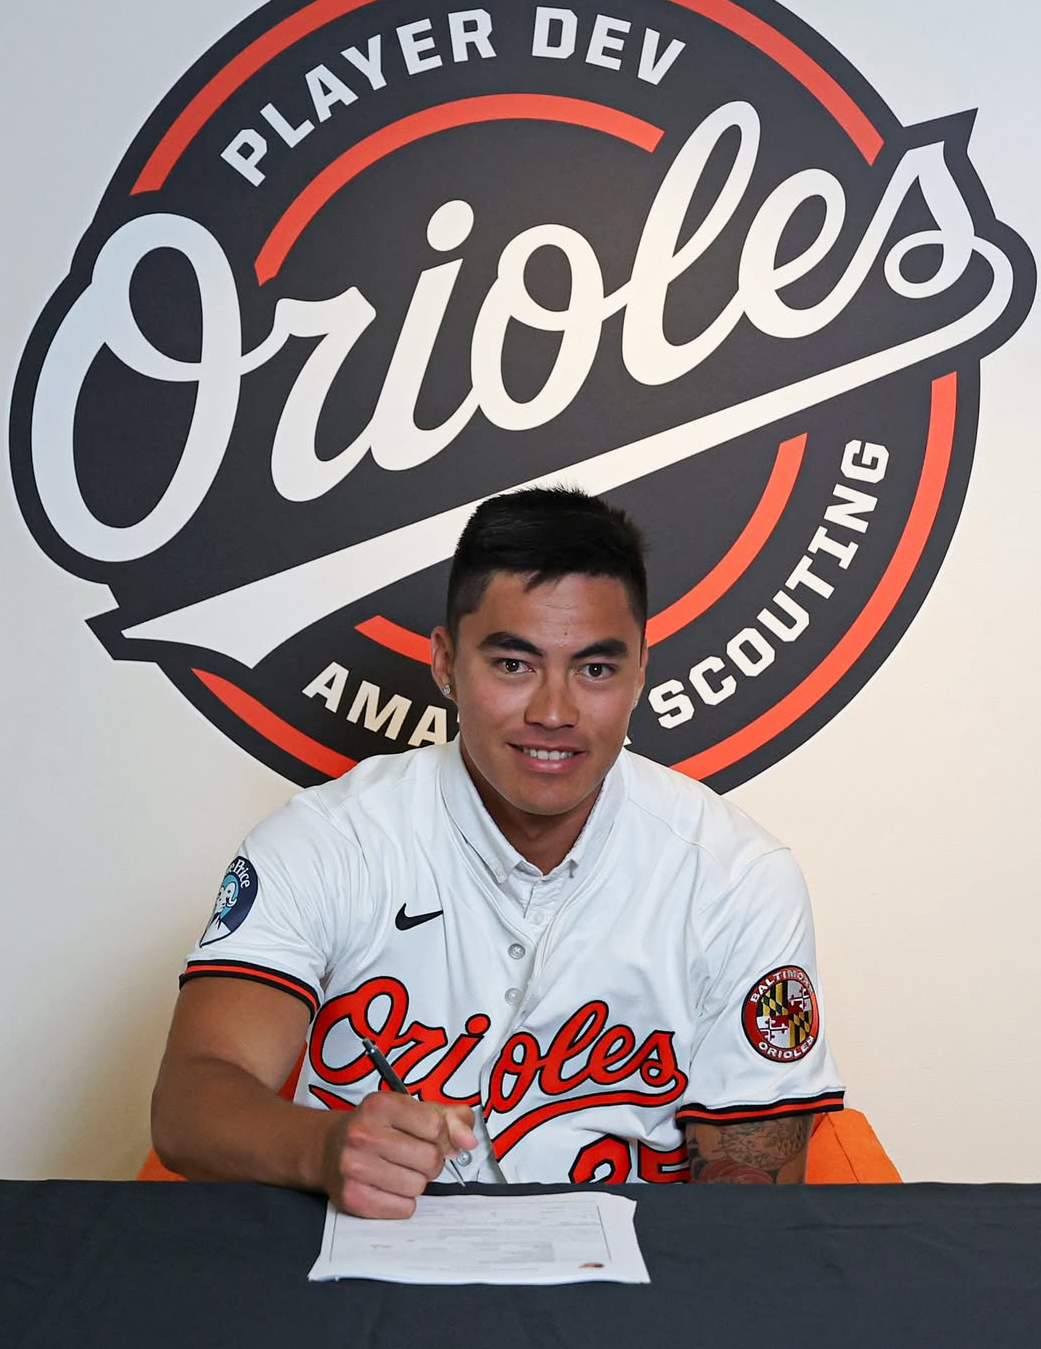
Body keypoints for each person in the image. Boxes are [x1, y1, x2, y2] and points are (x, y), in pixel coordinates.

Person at [152, 488, 843, 1215]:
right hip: (370, 1255)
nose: (554, 712)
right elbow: (190, 1100)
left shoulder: (739, 877)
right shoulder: (330, 839)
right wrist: (322, 1147)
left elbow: (749, 1199)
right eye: (514, 664)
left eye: (595, 669)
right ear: (445, 662)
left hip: (634, 1269)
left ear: (641, 670)